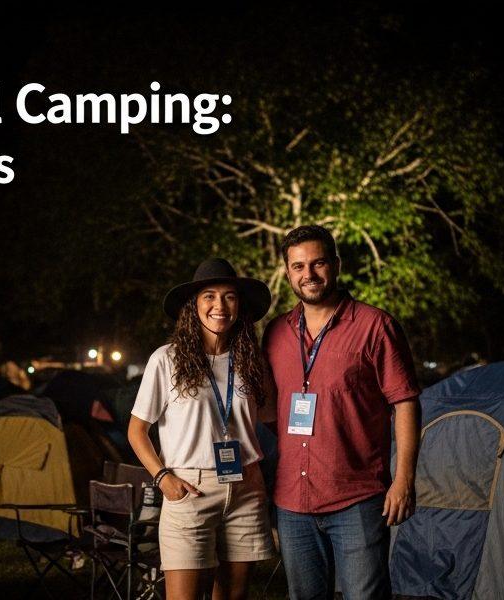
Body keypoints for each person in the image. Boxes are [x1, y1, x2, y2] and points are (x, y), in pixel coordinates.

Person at [262, 225, 422, 600]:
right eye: (298, 266)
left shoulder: (375, 326)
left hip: (357, 500)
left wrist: (404, 479)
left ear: (335, 265)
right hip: (292, 503)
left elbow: (405, 403)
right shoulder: (275, 333)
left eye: (318, 263)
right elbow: (268, 407)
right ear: (288, 272)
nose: (309, 274)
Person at [128, 258, 278, 600]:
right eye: (209, 296)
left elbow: (272, 421)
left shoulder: (252, 361)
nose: (219, 305)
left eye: (229, 297)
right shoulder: (166, 359)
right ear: (193, 306)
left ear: (239, 306)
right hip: (189, 488)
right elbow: (137, 430)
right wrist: (163, 478)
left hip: (245, 489)